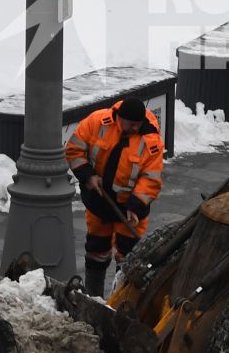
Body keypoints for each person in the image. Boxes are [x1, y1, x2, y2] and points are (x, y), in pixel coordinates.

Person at [65, 97, 165, 297]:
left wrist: (135, 206)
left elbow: (150, 179)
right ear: (119, 118)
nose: (136, 128)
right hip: (99, 203)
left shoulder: (151, 142)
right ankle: (94, 297)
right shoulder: (97, 122)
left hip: (129, 211)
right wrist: (87, 175)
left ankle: (120, 301)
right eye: (131, 124)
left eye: (138, 124)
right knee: (96, 250)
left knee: (128, 256)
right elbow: (74, 150)